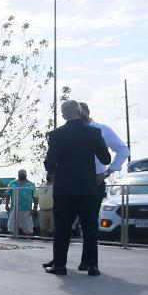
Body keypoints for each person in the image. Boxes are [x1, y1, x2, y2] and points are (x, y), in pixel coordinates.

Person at [43, 99, 111, 276]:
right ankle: (92, 266)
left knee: (62, 227)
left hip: (64, 189)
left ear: (63, 114)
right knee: (89, 227)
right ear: (80, 111)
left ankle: (59, 265)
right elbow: (106, 159)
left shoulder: (56, 135)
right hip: (87, 188)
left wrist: (53, 166)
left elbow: (49, 165)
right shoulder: (94, 132)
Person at [78, 101, 130, 267]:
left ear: (87, 112)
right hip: (73, 182)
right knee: (64, 224)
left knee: (90, 223)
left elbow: (123, 150)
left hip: (94, 181)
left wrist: (108, 172)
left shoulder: (102, 130)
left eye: (81, 112)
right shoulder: (71, 131)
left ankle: (90, 262)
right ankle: (59, 260)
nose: (78, 115)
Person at [5, 169, 36, 237]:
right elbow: (8, 195)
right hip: (14, 209)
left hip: (27, 209)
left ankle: (27, 242)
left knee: (27, 229)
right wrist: (6, 205)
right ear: (18, 175)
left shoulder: (31, 184)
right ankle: (13, 241)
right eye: (20, 173)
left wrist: (35, 208)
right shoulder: (12, 183)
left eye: (23, 173)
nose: (22, 175)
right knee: (12, 228)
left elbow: (35, 197)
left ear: (26, 175)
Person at [35, 173, 55, 237]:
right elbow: (36, 197)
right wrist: (35, 208)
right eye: (48, 175)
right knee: (43, 229)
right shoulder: (41, 185)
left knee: (55, 229)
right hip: (42, 211)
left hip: (53, 211)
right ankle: (44, 243)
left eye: (50, 175)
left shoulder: (56, 185)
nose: (49, 176)